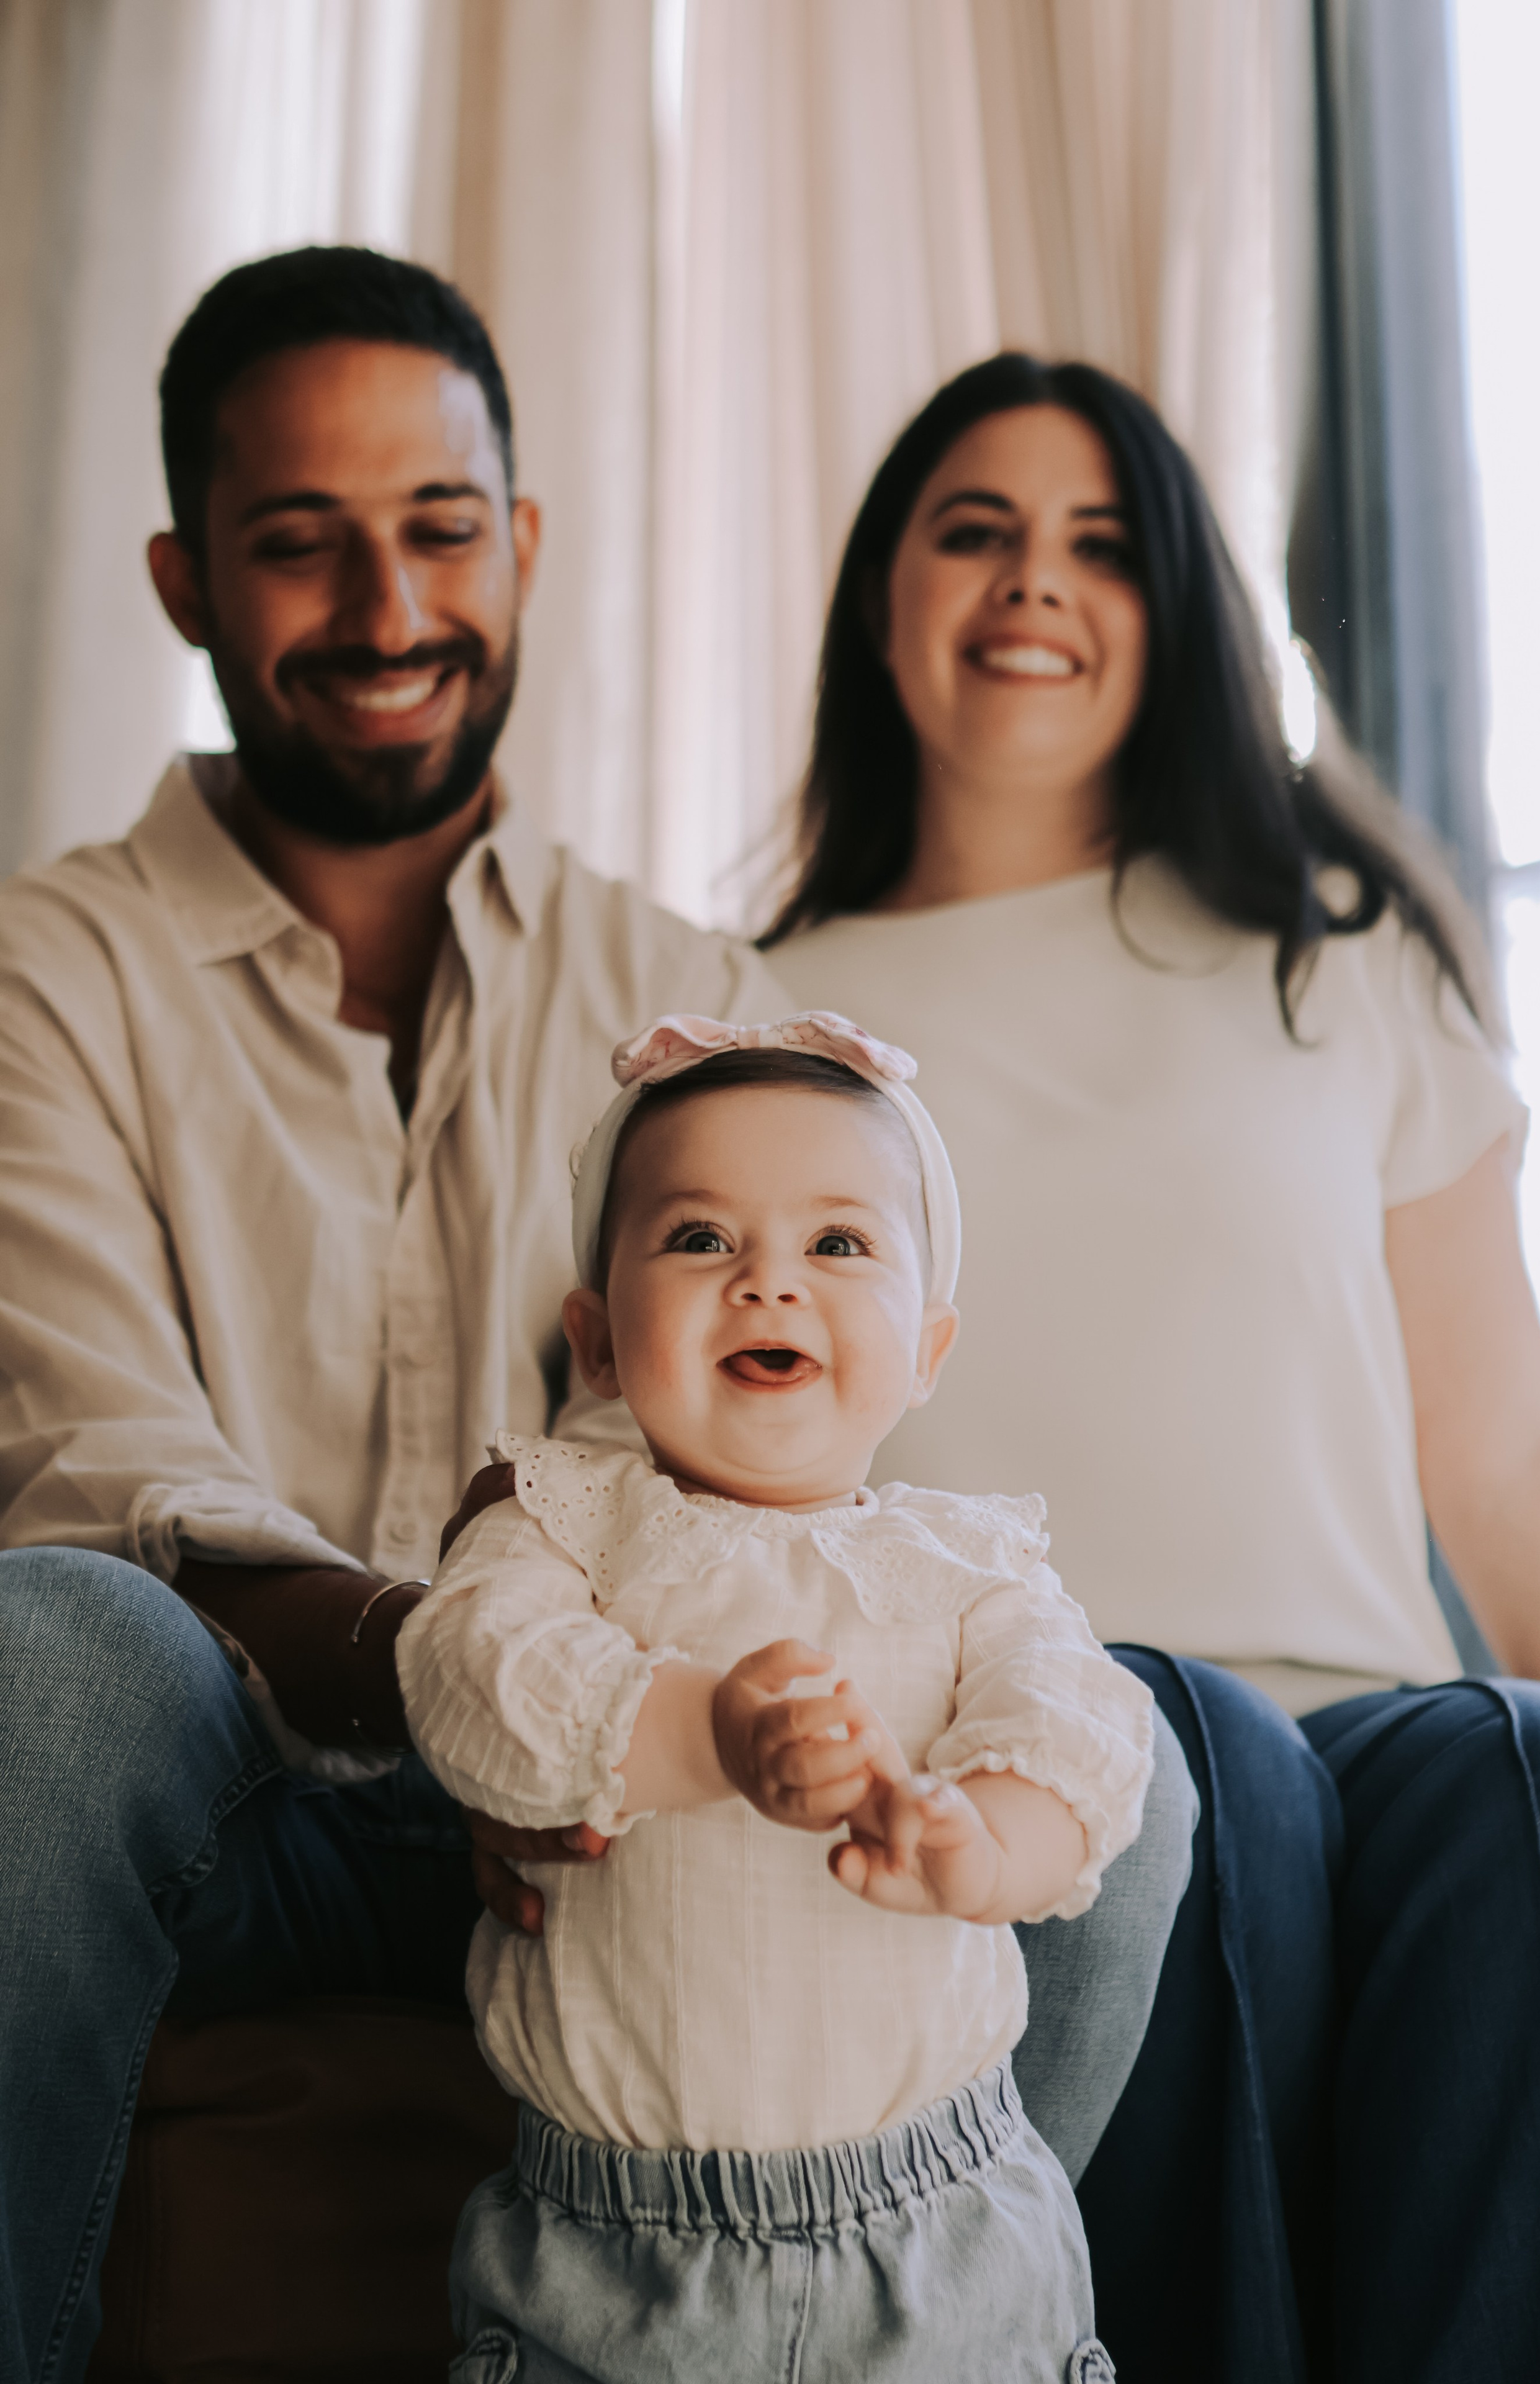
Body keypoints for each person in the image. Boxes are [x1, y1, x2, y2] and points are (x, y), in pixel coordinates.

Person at [0, 260, 1190, 2382]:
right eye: (300, 543)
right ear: (186, 579)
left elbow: (775, 1439)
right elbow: (105, 1467)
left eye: (440, 529)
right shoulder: (42, 976)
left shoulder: (690, 998)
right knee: (47, 1658)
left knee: (1140, 1754)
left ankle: (955, 2328)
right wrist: (477, 1689)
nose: (387, 606)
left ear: (522, 545)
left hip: (649, 1800)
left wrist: (674, 1724)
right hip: (253, 1794)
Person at [766, 354, 1540, 2383]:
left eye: (1102, 543)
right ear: (887, 596)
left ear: (1178, 614)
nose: (1037, 581)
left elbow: (1505, 1459)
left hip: (1372, 1744)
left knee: (1538, 1763)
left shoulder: (1344, 959)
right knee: (1192, 1753)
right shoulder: (754, 1019)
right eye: (977, 529)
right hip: (1010, 1763)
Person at [399, 1010, 1160, 2384]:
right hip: (609, 2263)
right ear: (597, 1340)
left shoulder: (966, 1560)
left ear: (927, 1349)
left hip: (944, 2240)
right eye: (699, 1239)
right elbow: (468, 1675)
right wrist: (706, 1731)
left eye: (837, 1244)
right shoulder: (564, 1520)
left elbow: (1082, 1722)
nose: (767, 1284)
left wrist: (983, 1835)